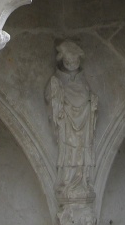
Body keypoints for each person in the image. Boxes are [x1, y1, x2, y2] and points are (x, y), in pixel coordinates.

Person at [45, 40, 98, 200]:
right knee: (69, 153)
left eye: (75, 60)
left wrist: (92, 103)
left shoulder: (83, 82)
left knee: (81, 152)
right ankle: (68, 182)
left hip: (83, 129)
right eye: (69, 60)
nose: (72, 63)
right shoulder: (56, 82)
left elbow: (87, 98)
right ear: (63, 61)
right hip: (67, 128)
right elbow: (53, 103)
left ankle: (82, 182)